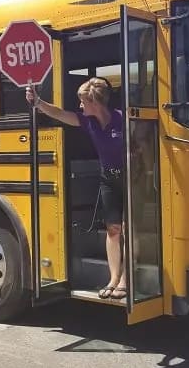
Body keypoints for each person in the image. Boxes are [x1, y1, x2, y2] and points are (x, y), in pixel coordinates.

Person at [26, 77, 127, 299]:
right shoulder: (87, 122)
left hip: (129, 178)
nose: (80, 106)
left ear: (94, 102)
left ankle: (126, 280)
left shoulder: (122, 119)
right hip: (108, 178)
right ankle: (113, 278)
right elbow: (60, 114)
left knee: (130, 229)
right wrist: (38, 102)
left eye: (83, 102)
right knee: (113, 229)